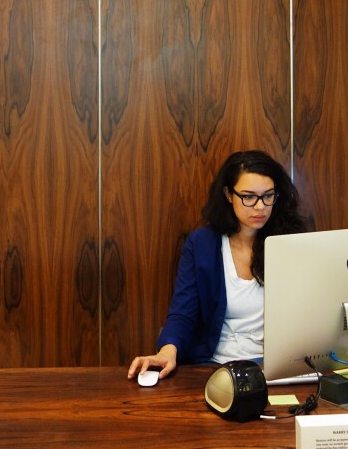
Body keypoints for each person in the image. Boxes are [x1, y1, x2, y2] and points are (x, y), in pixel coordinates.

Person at [127, 150, 308, 381]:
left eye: (268, 196)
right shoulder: (202, 244)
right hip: (214, 368)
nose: (260, 206)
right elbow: (183, 313)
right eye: (249, 196)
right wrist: (167, 351)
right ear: (228, 194)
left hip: (276, 369)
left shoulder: (291, 242)